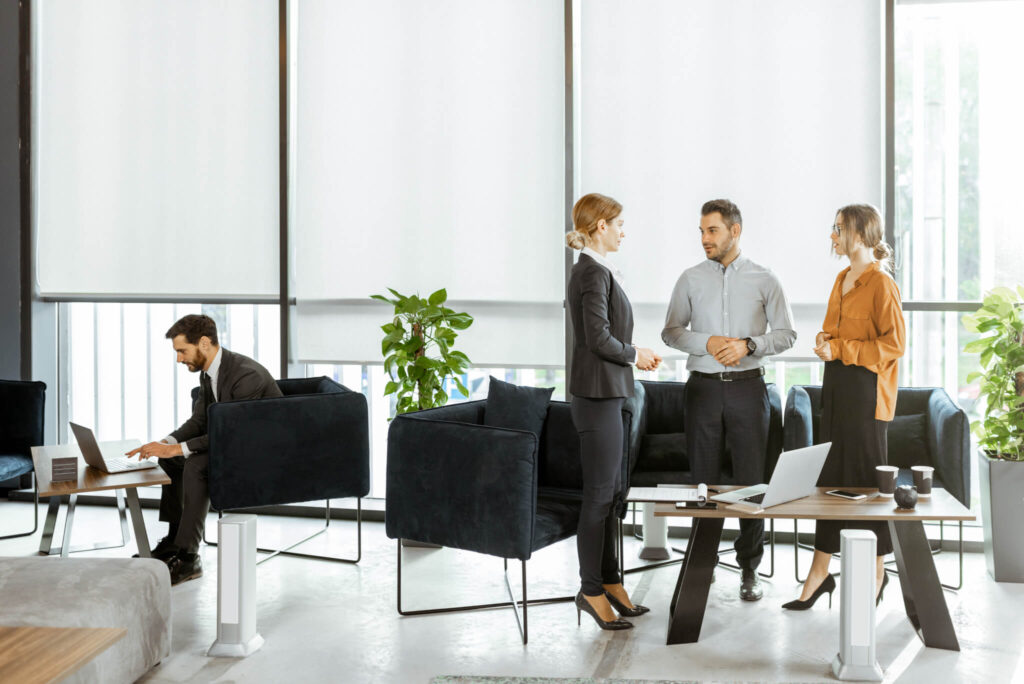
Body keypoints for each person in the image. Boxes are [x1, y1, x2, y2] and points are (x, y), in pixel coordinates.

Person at [662, 199, 796, 602]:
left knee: (752, 484)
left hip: (748, 389)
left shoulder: (765, 279)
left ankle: (749, 569)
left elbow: (787, 334)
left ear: (734, 231)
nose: (704, 238)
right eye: (702, 231)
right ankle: (701, 566)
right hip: (701, 390)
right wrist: (709, 342)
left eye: (712, 231)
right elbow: (671, 332)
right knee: (702, 483)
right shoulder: (689, 279)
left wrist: (748, 345)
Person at [784, 204, 906, 610]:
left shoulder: (881, 284)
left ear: (859, 232)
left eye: (838, 228)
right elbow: (832, 330)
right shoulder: (841, 278)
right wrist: (824, 341)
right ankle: (819, 573)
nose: (832, 235)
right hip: (836, 385)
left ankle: (876, 571)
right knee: (830, 479)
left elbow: (894, 346)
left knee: (868, 485)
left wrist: (841, 348)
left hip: (867, 390)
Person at [566, 193, 662, 631]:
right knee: (599, 497)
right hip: (597, 397)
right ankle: (590, 591)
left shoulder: (599, 271)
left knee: (611, 497)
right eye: (619, 223)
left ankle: (611, 582)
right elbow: (597, 338)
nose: (624, 231)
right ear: (600, 226)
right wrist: (635, 355)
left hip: (611, 394)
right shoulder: (590, 272)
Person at [127, 314, 282, 585]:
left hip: (261, 453)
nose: (179, 359)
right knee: (172, 461)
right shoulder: (209, 371)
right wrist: (166, 443)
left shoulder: (246, 375)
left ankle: (189, 558)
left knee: (195, 464)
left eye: (182, 351)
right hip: (233, 443)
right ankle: (175, 542)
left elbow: (233, 434)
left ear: (204, 343)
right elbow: (200, 421)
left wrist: (178, 449)